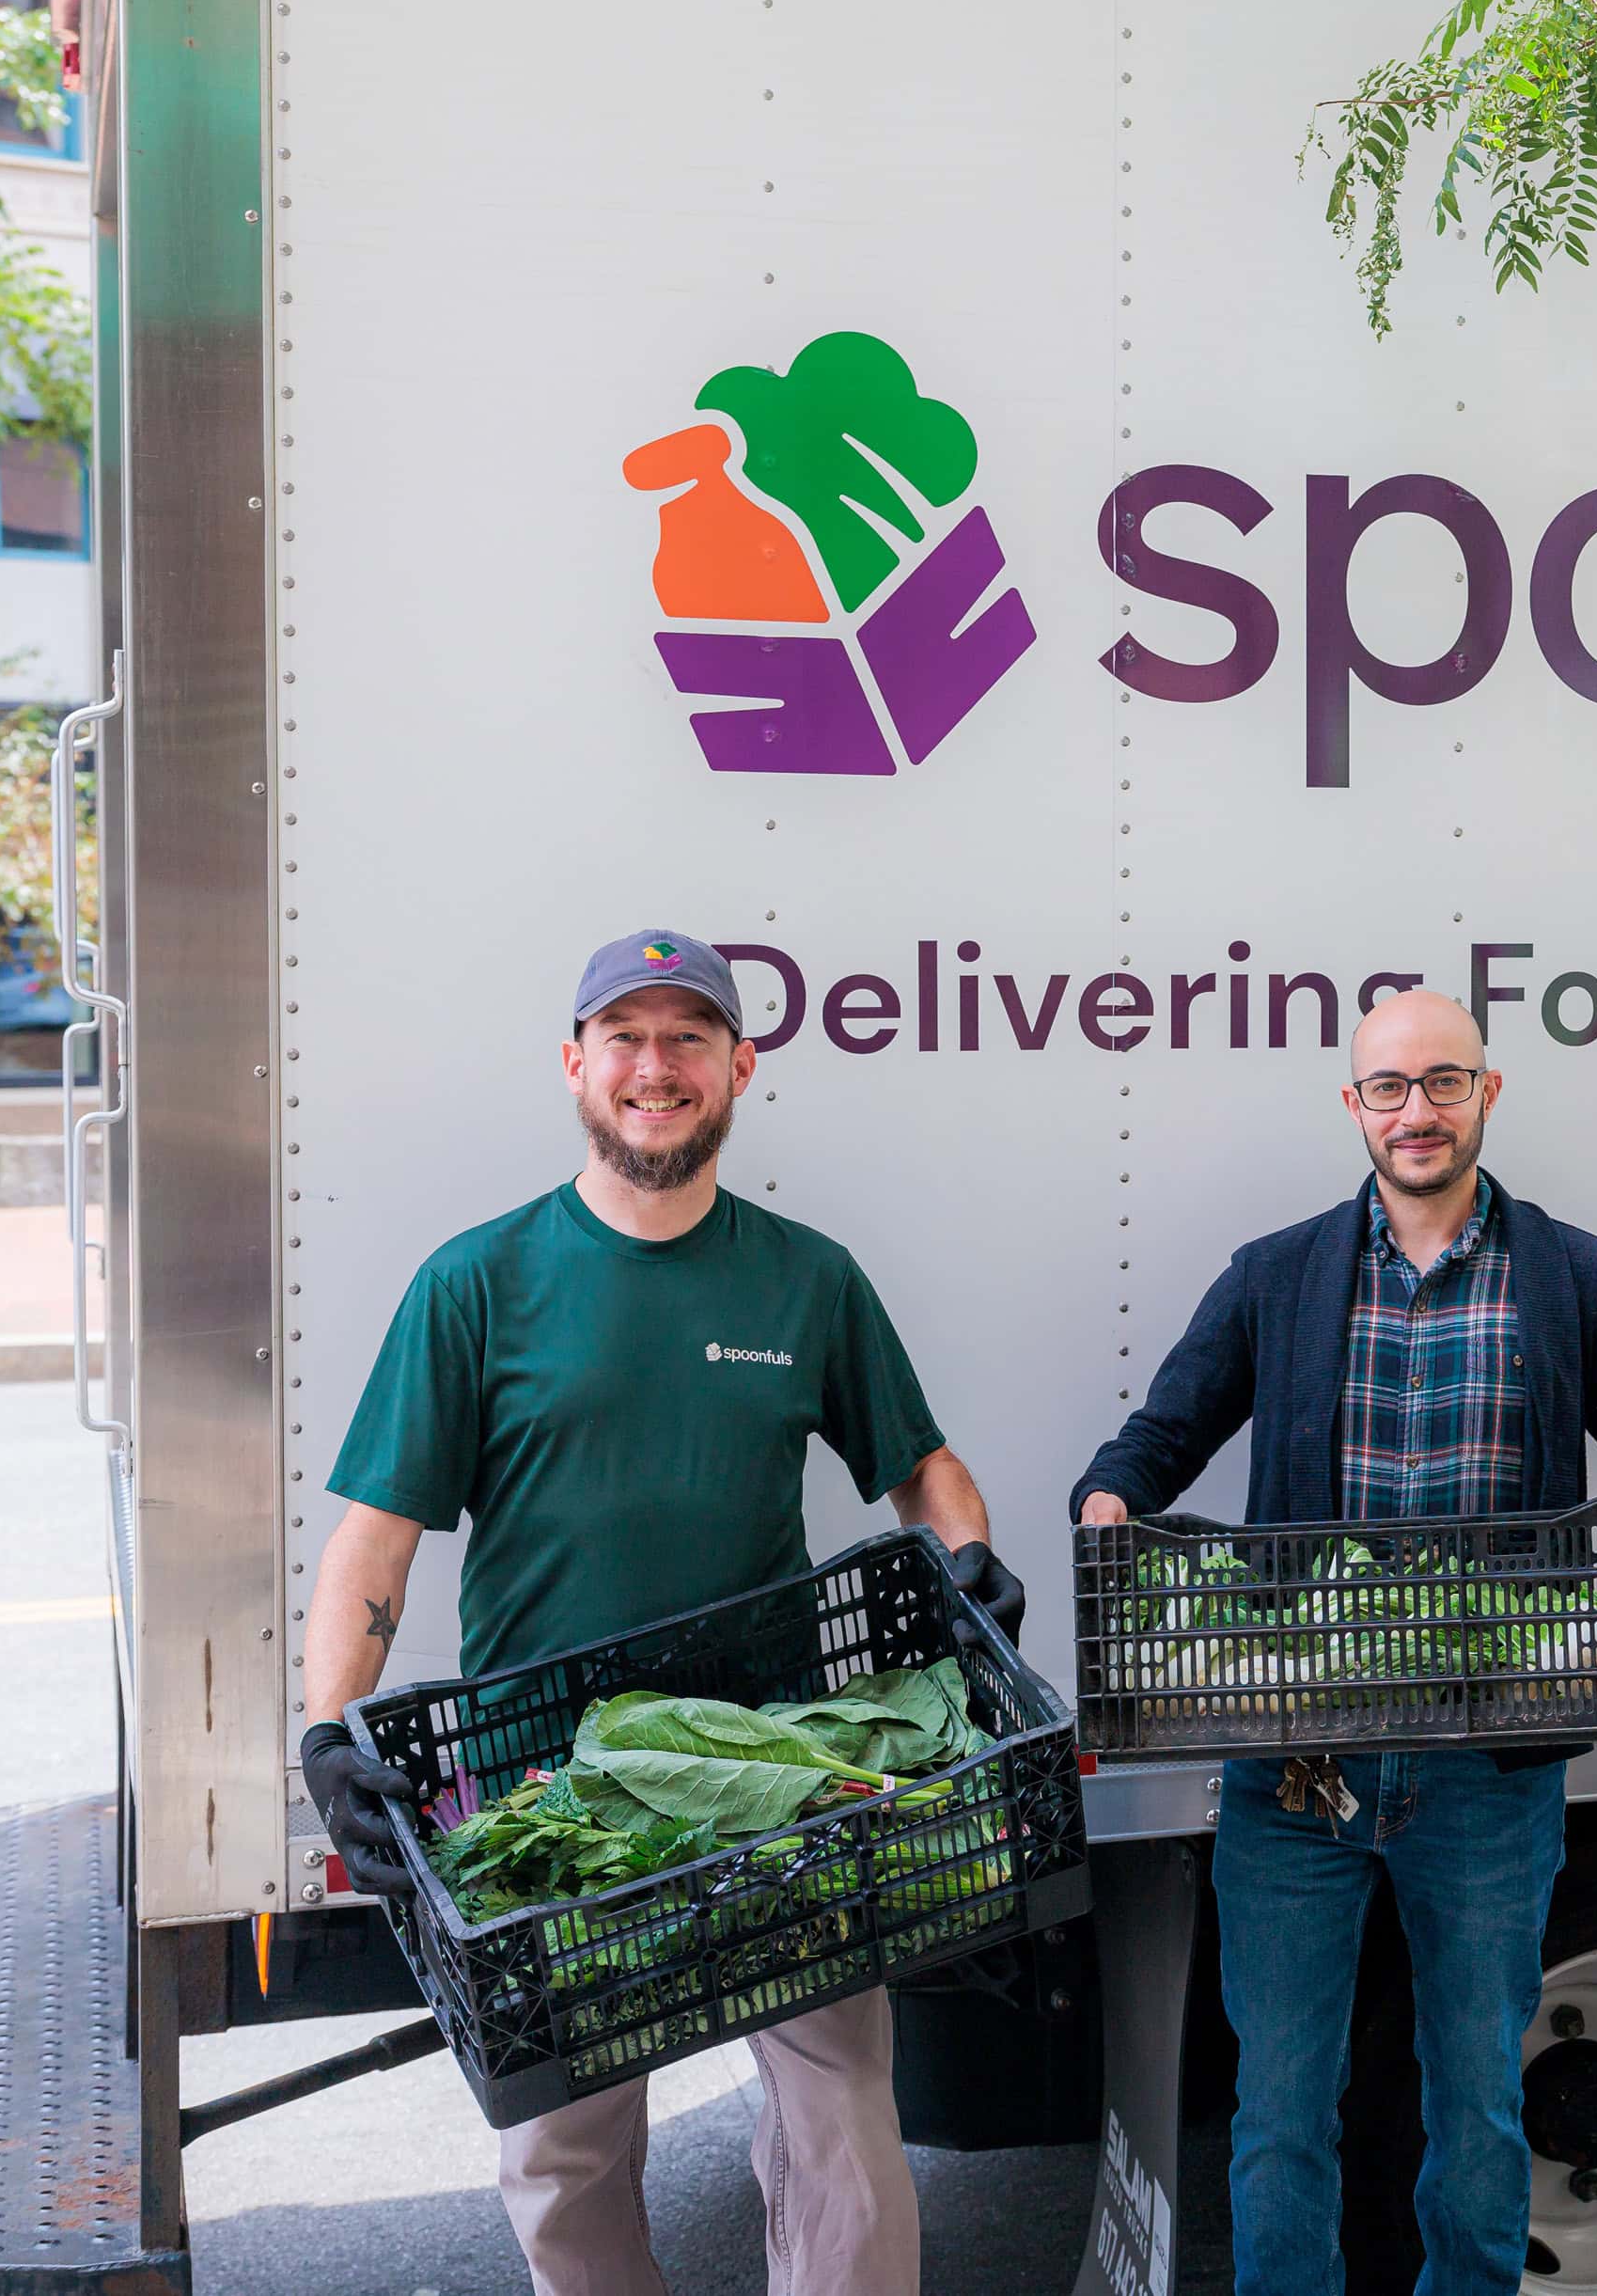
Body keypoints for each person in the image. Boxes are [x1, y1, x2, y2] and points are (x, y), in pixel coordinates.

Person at [296, 929, 1022, 2296]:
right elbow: (374, 1540)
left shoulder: (805, 1278)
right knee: (563, 2152)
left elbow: (923, 1472)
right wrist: (330, 1731)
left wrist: (969, 1559)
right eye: (624, 1036)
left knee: (844, 2130)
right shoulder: (480, 1281)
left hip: (777, 1775)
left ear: (739, 1068)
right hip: (545, 1786)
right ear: (575, 1065)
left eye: (688, 1037)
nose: (655, 1065)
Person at [1071, 986, 1597, 2296]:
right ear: (1351, 1105)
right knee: (1281, 2112)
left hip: (1491, 1764)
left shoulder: (1580, 1275)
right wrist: (1108, 1500)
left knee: (1476, 2102)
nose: (1414, 1112)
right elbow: (1158, 1435)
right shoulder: (1278, 1275)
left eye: (1441, 1083)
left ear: (1488, 1092)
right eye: (1387, 1087)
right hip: (1298, 1759)